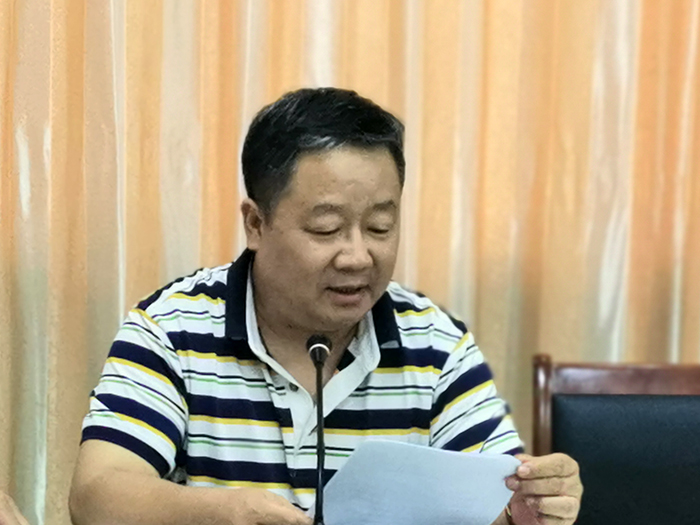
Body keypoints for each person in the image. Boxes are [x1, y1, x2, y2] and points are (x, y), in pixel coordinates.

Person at [69, 88, 582, 525]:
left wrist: (525, 508)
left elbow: (493, 493)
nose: (358, 256)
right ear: (256, 224)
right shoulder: (171, 328)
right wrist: (219, 513)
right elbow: (97, 496)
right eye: (326, 228)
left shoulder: (435, 344)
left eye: (380, 227)